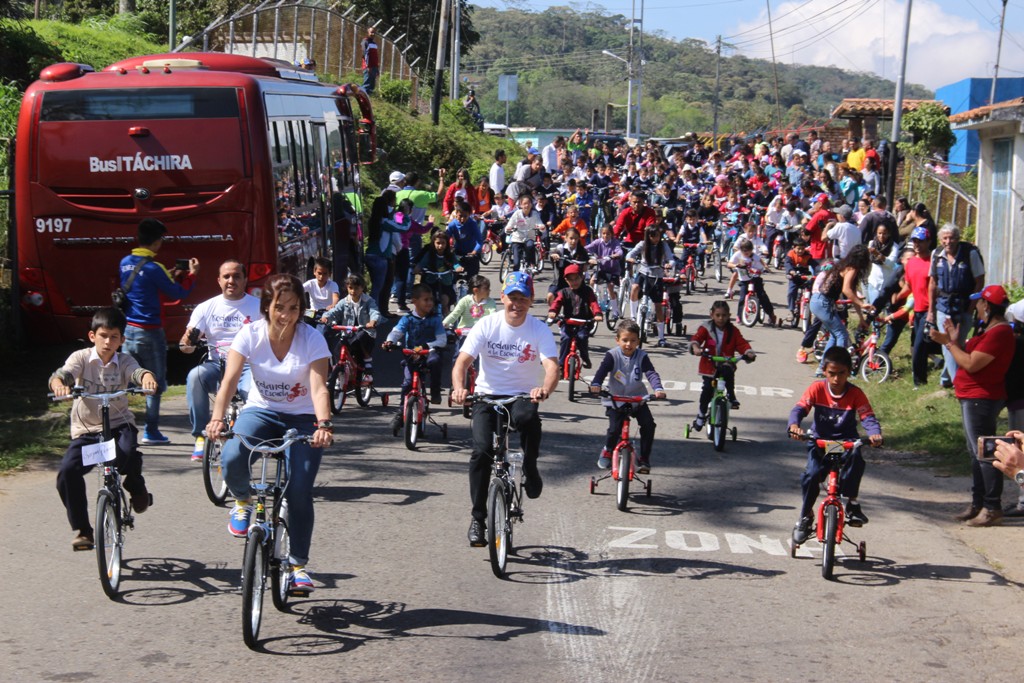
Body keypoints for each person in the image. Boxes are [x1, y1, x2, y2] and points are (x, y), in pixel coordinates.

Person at [207, 274, 334, 594]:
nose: (286, 315)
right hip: (260, 411)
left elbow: (319, 388)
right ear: (267, 306)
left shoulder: (313, 338)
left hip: (304, 418)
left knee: (299, 491)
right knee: (234, 454)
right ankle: (241, 500)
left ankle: (298, 565)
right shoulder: (250, 335)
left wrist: (323, 425)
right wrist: (217, 419)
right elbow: (230, 381)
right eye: (280, 307)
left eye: (294, 308)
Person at [451, 272, 558, 547]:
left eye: (523, 299)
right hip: (486, 397)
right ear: (502, 298)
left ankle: (531, 468)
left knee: (529, 418)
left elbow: (552, 367)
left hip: (521, 396)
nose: (517, 304)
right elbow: (462, 363)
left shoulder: (538, 329)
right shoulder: (487, 325)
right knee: (481, 452)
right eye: (512, 298)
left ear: (531, 301)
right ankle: (478, 519)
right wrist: (459, 388)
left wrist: (543, 388)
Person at [50, 307, 158, 550]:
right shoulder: (80, 358)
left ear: (122, 339)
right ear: (92, 336)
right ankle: (83, 530)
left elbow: (138, 372)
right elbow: (63, 375)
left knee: (127, 453)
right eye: (103, 336)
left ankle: (135, 484)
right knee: (67, 472)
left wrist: (147, 378)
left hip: (119, 424)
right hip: (87, 430)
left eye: (114, 337)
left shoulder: (125, 360)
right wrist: (59, 385)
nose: (108, 342)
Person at [930, 285, 1016, 527]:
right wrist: (955, 341)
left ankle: (991, 506)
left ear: (987, 306)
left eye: (979, 302)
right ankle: (979, 503)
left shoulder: (999, 333)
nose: (976, 306)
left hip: (982, 398)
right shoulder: (989, 330)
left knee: (985, 454)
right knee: (976, 453)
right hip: (973, 396)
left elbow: (970, 363)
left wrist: (948, 344)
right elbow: (969, 355)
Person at [788, 346, 883, 544]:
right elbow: (799, 409)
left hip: (845, 443)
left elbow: (867, 417)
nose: (837, 379)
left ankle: (852, 504)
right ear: (824, 371)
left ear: (850, 371)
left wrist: (874, 434)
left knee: (856, 458)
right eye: (832, 374)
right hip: (820, 442)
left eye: (842, 374)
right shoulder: (817, 388)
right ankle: (805, 516)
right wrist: (794, 426)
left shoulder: (856, 394)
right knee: (811, 475)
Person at [120, 218, 199, 445]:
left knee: (127, 380)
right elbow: (177, 294)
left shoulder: (125, 262)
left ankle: (122, 427)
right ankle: (151, 431)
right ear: (157, 241)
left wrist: (168, 276)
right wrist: (192, 275)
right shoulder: (155, 268)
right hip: (150, 332)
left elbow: (141, 287)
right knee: (154, 382)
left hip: (129, 329)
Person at [179, 260, 261, 461]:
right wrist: (188, 341)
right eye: (226, 276)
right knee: (194, 377)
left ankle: (248, 437)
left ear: (245, 280)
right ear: (219, 280)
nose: (231, 280)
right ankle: (201, 435)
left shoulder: (259, 307)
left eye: (236, 276)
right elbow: (185, 347)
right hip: (217, 363)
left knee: (253, 394)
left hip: (247, 366)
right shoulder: (206, 308)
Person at [589, 319, 666, 472]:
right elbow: (602, 371)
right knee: (614, 429)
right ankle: (608, 450)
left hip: (637, 399)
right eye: (624, 340)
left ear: (638, 341)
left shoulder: (642, 356)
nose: (629, 345)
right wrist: (596, 384)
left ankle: (644, 458)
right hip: (616, 400)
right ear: (617, 340)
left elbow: (650, 373)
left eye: (633, 340)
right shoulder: (612, 355)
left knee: (648, 425)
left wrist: (658, 388)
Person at [384, 283, 448, 434]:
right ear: (414, 301)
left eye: (431, 299)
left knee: (435, 361)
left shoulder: (435, 319)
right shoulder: (407, 319)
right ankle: (401, 412)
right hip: (412, 356)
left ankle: (435, 390)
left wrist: (426, 345)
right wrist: (390, 341)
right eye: (426, 300)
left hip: (428, 353)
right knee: (407, 384)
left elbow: (442, 340)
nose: (430, 303)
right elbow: (396, 332)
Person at [928, 223, 985, 388]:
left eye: (951, 238)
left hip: (964, 305)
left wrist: (971, 307)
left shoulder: (970, 254)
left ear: (958, 239)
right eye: (945, 238)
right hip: (943, 306)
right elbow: (932, 283)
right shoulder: (936, 255)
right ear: (940, 240)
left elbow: (979, 280)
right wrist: (931, 310)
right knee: (948, 343)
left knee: (958, 343)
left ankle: (945, 379)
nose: (948, 241)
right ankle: (958, 383)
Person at [688, 301, 756, 430]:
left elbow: (742, 344)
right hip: (709, 364)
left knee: (728, 373)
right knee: (707, 389)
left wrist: (748, 353)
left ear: (729, 315)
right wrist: (696, 347)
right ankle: (701, 415)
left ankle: (731, 395)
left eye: (724, 315)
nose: (721, 318)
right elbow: (696, 339)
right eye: (718, 315)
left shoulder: (733, 331)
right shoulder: (706, 328)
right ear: (711, 315)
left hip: (726, 363)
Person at [809, 244, 874, 377]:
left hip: (818, 301)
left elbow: (852, 294)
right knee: (842, 335)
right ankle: (837, 368)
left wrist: (861, 317)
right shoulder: (852, 268)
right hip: (823, 302)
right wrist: (862, 304)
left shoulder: (844, 265)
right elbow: (846, 290)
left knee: (835, 335)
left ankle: (822, 369)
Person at [321, 273, 382, 374]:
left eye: (356, 288)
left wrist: (372, 321)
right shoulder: (344, 302)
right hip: (348, 333)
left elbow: (374, 312)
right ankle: (339, 373)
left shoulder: (368, 301)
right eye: (350, 288)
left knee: (360, 338)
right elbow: (335, 311)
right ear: (347, 288)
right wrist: (326, 316)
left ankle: (367, 360)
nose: (353, 291)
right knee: (337, 350)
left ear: (362, 288)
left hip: (365, 331)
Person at [626, 225, 675, 347]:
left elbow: (671, 258)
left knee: (658, 306)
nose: (655, 238)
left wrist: (669, 264)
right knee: (635, 288)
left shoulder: (663, 246)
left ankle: (661, 337)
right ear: (648, 236)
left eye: (657, 236)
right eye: (652, 236)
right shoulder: (642, 244)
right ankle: (633, 317)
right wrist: (631, 259)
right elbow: (630, 254)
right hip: (643, 273)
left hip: (657, 276)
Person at [547, 263, 602, 370]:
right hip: (568, 321)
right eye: (570, 280)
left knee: (582, 338)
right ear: (566, 281)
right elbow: (556, 303)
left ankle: (585, 358)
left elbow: (593, 303)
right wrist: (553, 311)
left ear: (582, 277)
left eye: (576, 278)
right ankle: (562, 364)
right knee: (566, 338)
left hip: (584, 322)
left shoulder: (587, 291)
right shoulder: (564, 292)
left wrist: (597, 314)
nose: (574, 282)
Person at [727, 238, 776, 327]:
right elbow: (729, 264)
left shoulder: (754, 256)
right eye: (745, 252)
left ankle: (771, 314)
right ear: (741, 250)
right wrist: (735, 265)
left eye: (749, 251)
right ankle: (740, 316)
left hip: (755, 278)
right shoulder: (737, 255)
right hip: (744, 280)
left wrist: (765, 267)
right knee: (742, 298)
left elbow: (760, 260)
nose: (747, 253)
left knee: (762, 296)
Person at [504, 193, 544, 272]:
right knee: (516, 262)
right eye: (524, 204)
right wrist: (508, 228)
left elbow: (540, 223)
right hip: (517, 238)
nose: (527, 205)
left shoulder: (535, 214)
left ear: (531, 205)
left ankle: (531, 264)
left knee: (530, 245)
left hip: (529, 237)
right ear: (521, 205)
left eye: (528, 203)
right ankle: (515, 276)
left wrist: (542, 227)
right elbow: (510, 224)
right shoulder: (517, 214)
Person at [361, 26, 380, 95]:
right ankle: (362, 95)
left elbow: (376, 57)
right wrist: (368, 66)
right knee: (367, 83)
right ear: (368, 33)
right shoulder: (365, 41)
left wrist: (377, 68)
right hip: (368, 67)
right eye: (371, 32)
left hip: (374, 67)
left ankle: (369, 97)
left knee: (372, 84)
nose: (373, 34)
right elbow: (365, 54)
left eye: (374, 33)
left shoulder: (374, 44)